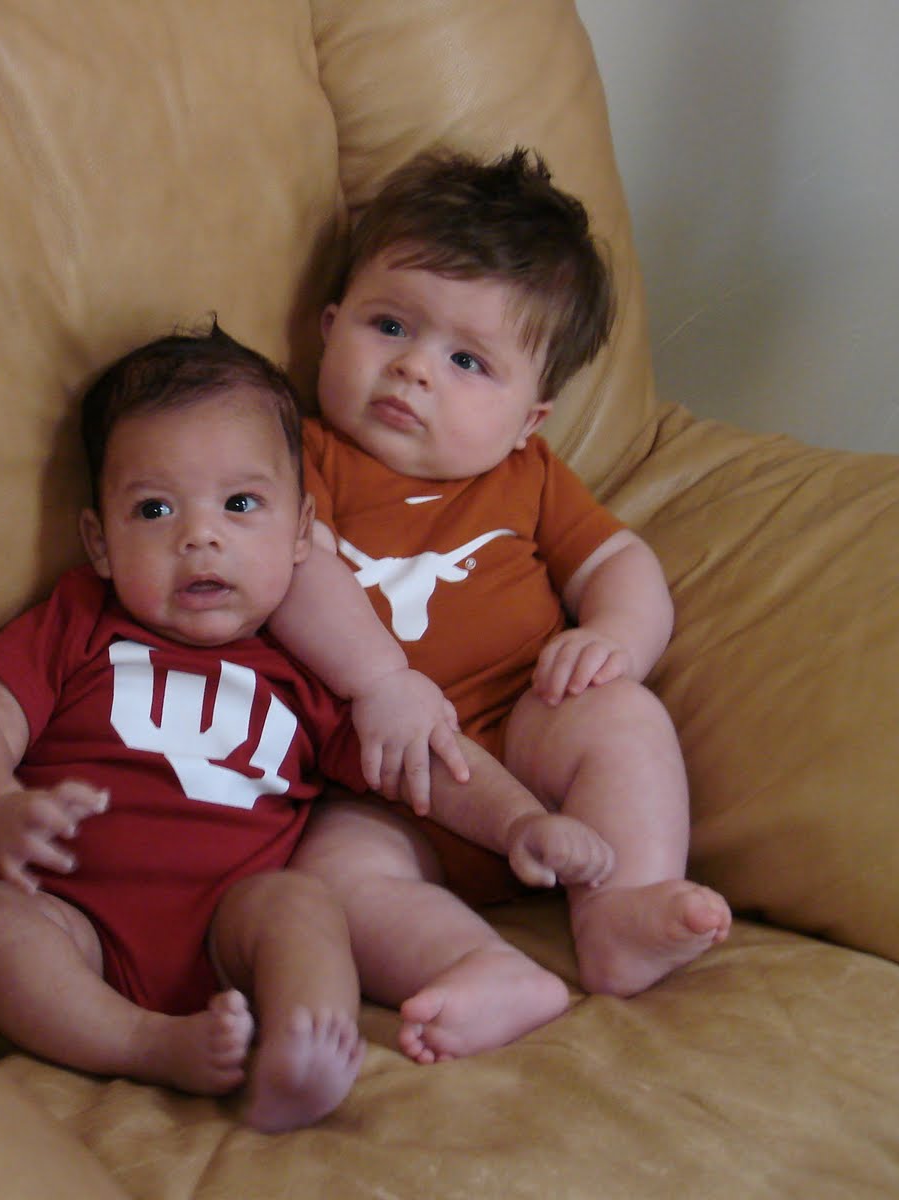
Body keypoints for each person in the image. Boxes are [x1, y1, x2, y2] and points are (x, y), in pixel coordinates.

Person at [268, 149, 733, 1065]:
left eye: (468, 360)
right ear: (329, 327)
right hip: (381, 781)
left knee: (622, 716)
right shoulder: (297, 459)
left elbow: (621, 561)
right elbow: (293, 569)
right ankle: (481, 967)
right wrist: (380, 683)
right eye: (389, 325)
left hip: (524, 730)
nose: (413, 369)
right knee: (328, 883)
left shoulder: (528, 477)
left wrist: (615, 641)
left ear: (529, 419)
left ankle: (619, 909)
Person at [0, 325, 382, 1133]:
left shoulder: (306, 668)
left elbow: (408, 765)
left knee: (300, 903)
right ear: (101, 543)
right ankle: (145, 1043)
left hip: (232, 928)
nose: (199, 536)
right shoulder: (77, 620)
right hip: (76, 925)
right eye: (154, 509)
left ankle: (304, 1047)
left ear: (300, 532)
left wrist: (518, 820)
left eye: (240, 504)